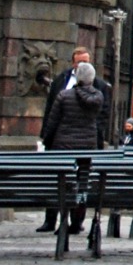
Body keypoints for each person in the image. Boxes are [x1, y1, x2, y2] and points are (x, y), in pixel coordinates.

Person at [39, 57, 108, 236]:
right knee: (82, 183)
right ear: (92, 79)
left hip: (63, 146)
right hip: (87, 146)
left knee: (62, 183)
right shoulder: (97, 97)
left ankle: (60, 219)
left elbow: (52, 122)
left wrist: (47, 141)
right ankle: (77, 222)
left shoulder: (64, 95)